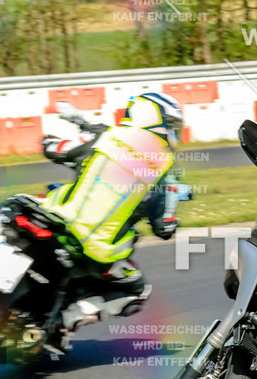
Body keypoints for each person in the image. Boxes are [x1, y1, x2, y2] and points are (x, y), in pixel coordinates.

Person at [38, 92, 184, 340]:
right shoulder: (165, 170)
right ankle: (65, 320)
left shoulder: (107, 135)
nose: (174, 132)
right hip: (99, 250)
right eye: (171, 125)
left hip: (57, 219)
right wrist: (172, 220)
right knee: (138, 290)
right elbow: (163, 228)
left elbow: (55, 150)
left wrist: (51, 142)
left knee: (18, 205)